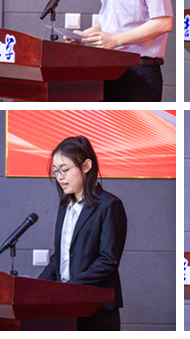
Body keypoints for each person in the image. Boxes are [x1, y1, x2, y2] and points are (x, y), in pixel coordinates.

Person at [38, 136, 127, 331]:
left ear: (86, 166)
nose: (59, 177)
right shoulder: (64, 207)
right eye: (55, 171)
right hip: (64, 307)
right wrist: (36, 289)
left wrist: (70, 288)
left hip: (96, 310)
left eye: (65, 169)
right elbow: (59, 257)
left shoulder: (110, 205)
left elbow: (108, 260)